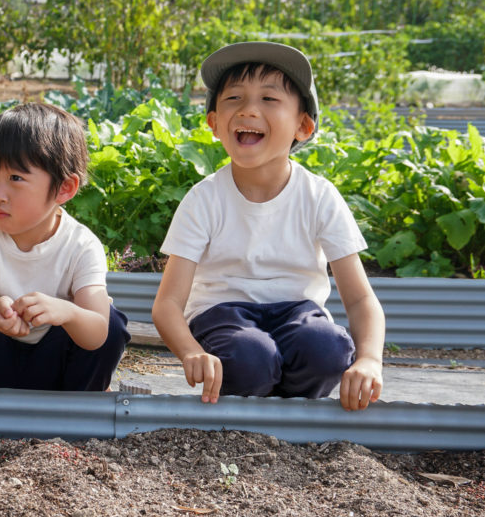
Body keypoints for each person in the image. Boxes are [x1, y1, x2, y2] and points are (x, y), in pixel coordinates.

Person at [152, 41, 385, 411]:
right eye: (234, 99)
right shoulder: (204, 199)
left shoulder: (319, 197)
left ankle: (287, 406)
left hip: (298, 311)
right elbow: (167, 304)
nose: (248, 109)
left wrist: (369, 359)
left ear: (303, 127)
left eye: (269, 99)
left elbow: (359, 298)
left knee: (328, 350)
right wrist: (191, 353)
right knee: (250, 356)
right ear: (213, 123)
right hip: (222, 312)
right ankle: (254, 393)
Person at [0, 102, 130, 391]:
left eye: (15, 178)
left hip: (53, 371)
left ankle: (78, 412)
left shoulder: (81, 245)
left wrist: (66, 312)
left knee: (110, 323)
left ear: (64, 188)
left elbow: (99, 333)